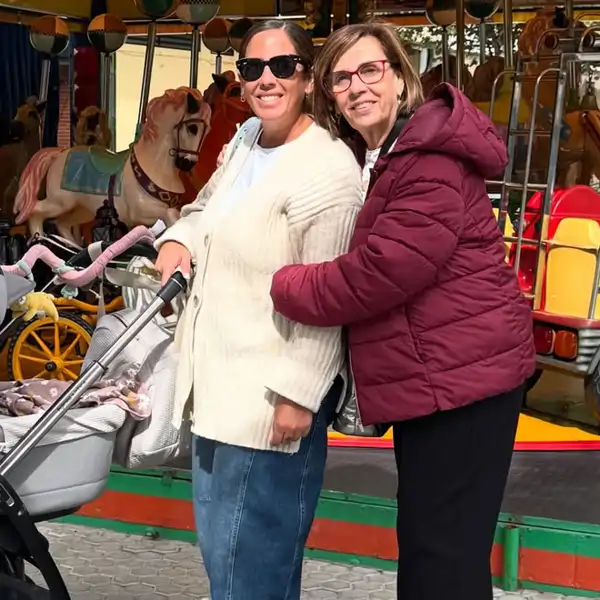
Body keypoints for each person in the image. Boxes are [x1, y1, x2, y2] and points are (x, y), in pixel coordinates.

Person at [269, 22, 537, 600]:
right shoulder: (384, 155)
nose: (357, 87)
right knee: (438, 547)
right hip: (444, 378)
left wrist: (283, 284)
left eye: (369, 70)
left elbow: (384, 272)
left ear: (398, 75)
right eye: (341, 78)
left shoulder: (427, 158)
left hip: (466, 381)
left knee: (441, 556)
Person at [153, 20, 363, 600]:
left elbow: (330, 293)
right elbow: (203, 208)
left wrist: (300, 392)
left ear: (308, 76)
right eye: (251, 69)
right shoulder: (245, 141)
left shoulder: (330, 170)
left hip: (270, 406)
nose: (265, 79)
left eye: (282, 66)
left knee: (253, 577)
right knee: (230, 570)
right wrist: (179, 240)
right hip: (215, 393)